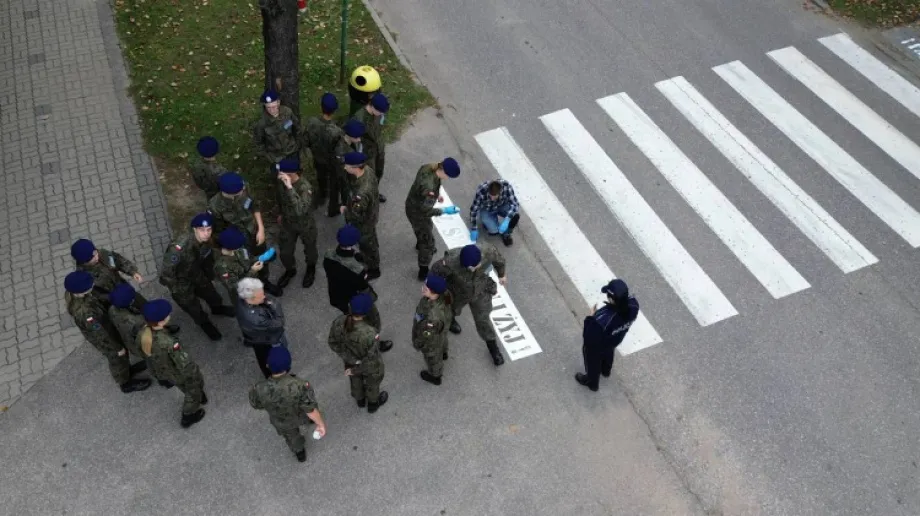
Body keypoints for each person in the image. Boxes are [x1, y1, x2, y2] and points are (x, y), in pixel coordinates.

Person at [64, 271, 151, 393]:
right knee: (118, 359)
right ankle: (125, 383)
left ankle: (128, 370)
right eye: (90, 285)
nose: (93, 285)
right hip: (106, 338)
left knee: (123, 355)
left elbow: (99, 296)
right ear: (80, 292)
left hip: (106, 326)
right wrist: (116, 348)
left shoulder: (82, 294)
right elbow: (100, 334)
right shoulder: (85, 313)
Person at [159, 212, 234, 341]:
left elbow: (207, 253)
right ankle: (205, 324)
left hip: (197, 275)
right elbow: (166, 273)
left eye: (209, 229)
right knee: (193, 307)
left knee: (211, 294)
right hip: (181, 282)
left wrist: (222, 252)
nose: (206, 233)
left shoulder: (206, 240)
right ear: (194, 229)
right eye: (202, 230)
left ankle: (217, 309)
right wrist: (177, 289)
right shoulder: (178, 248)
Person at [431, 243, 507, 366]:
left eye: (473, 267)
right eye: (467, 267)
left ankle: (493, 348)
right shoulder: (450, 261)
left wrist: (502, 275)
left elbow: (499, 260)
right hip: (457, 292)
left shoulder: (488, 251)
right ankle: (452, 321)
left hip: (480, 290)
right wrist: (435, 292)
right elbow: (435, 271)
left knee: (483, 320)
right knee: (450, 310)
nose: (470, 270)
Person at [208, 172, 282, 296]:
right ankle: (252, 288)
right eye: (239, 192)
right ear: (228, 193)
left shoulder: (243, 186)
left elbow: (255, 206)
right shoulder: (215, 206)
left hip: (255, 233)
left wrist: (261, 228)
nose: (243, 191)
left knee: (262, 258)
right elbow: (219, 232)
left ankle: (265, 282)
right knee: (245, 265)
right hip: (238, 242)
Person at [249, 346, 327, 463]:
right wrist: (320, 424)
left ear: (268, 366)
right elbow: (310, 409)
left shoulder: (259, 388)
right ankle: (310, 422)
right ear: (288, 366)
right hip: (300, 415)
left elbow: (256, 404)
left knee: (292, 437)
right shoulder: (300, 385)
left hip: (282, 421)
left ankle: (300, 453)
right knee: (308, 417)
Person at [322, 224, 393, 352]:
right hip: (354, 301)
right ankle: (374, 343)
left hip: (337, 297)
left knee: (351, 320)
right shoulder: (357, 269)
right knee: (373, 322)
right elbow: (363, 286)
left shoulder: (328, 255)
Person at [137, 299, 207, 428]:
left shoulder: (144, 333)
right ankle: (188, 415)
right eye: (167, 315)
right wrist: (195, 374)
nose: (169, 316)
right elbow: (185, 363)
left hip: (167, 372)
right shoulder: (168, 343)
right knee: (193, 391)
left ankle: (198, 396)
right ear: (161, 321)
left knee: (185, 388)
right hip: (180, 373)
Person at [328, 293, 389, 413]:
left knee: (356, 381)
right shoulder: (370, 334)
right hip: (366, 366)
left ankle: (360, 401)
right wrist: (357, 367)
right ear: (366, 313)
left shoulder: (339, 322)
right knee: (372, 384)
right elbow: (371, 361)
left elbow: (332, 343)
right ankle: (373, 404)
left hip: (350, 363)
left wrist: (351, 360)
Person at [575, 279, 641, 392]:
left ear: (611, 299)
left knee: (592, 359)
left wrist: (591, 317)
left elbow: (588, 338)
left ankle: (592, 383)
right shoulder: (634, 305)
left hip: (599, 343)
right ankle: (606, 370)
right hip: (616, 338)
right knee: (609, 350)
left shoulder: (602, 319)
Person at [108, 283, 176, 389]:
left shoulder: (113, 309)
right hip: (144, 344)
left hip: (133, 340)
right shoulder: (136, 321)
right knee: (155, 363)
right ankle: (164, 380)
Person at [404, 158, 462, 280]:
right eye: (449, 176)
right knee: (428, 244)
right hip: (418, 213)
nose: (448, 178)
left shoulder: (428, 167)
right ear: (444, 172)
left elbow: (424, 188)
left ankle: (419, 244)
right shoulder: (429, 187)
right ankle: (423, 270)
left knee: (425, 229)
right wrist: (444, 211)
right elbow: (426, 211)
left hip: (413, 205)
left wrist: (437, 195)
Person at [251, 89, 318, 188]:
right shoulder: (262, 123)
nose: (272, 110)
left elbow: (297, 128)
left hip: (292, 152)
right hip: (277, 158)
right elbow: (258, 143)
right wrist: (268, 157)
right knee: (281, 182)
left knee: (296, 175)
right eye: (268, 107)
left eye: (274, 106)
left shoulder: (287, 112)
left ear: (278, 102)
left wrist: (298, 144)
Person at [274, 158, 318, 289]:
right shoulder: (281, 182)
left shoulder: (305, 187)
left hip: (305, 224)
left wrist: (289, 187)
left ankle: (311, 269)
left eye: (281, 172)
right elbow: (280, 199)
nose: (278, 174)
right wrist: (281, 213)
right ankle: (290, 270)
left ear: (291, 174)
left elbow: (300, 210)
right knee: (285, 252)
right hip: (288, 223)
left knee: (310, 250)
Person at [71, 238, 146, 309]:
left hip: (124, 288)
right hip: (114, 302)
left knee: (143, 305)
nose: (97, 257)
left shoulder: (103, 253)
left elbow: (118, 260)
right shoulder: (82, 277)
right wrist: (112, 297)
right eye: (92, 258)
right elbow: (94, 295)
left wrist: (132, 272)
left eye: (96, 253)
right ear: (84, 262)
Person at [340, 151, 382, 279]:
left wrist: (345, 210)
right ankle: (365, 257)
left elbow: (356, 214)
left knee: (367, 244)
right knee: (368, 242)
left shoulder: (362, 192)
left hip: (364, 222)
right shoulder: (367, 170)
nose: (344, 167)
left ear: (355, 168)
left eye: (346, 165)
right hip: (371, 213)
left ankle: (374, 269)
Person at [236, 278, 288, 379]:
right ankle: (276, 376)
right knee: (272, 357)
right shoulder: (256, 319)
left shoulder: (242, 297)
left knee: (262, 357)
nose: (265, 296)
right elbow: (279, 322)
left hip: (255, 337)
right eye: (261, 295)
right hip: (268, 339)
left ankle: (269, 374)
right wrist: (275, 304)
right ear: (250, 299)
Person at [412, 274, 453, 386]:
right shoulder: (445, 293)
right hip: (442, 329)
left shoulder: (432, 317)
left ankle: (435, 376)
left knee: (432, 358)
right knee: (443, 340)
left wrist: (418, 344)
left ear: (433, 292)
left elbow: (426, 335)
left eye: (425, 288)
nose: (422, 288)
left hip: (433, 339)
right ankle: (444, 353)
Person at [304, 93, 340, 210]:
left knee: (321, 176)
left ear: (321, 107)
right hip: (331, 161)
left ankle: (322, 195)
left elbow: (306, 140)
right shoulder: (336, 131)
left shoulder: (311, 122)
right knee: (333, 178)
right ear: (335, 110)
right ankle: (332, 198)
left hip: (317, 157)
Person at [349, 93, 388, 203]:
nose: (381, 115)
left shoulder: (379, 113)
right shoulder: (359, 118)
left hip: (379, 148)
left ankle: (374, 192)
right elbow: (353, 139)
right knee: (368, 178)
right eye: (380, 112)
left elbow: (380, 126)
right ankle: (367, 198)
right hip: (367, 153)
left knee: (379, 173)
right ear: (373, 107)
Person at [213, 226, 264, 300]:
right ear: (231, 246)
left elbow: (249, 259)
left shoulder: (240, 249)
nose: (241, 246)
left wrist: (261, 258)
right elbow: (234, 286)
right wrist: (253, 271)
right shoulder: (222, 266)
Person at [469, 179, 521, 247]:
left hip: (502, 206)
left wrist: (507, 219)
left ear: (500, 191)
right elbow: (474, 209)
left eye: (495, 196)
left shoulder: (506, 186)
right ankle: (489, 223)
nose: (492, 199)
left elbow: (515, 204)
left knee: (515, 216)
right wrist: (474, 228)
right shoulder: (482, 190)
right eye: (490, 196)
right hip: (487, 210)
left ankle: (507, 234)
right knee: (494, 231)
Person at [190, 136, 228, 201]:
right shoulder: (221, 170)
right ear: (217, 150)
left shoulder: (196, 166)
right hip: (221, 194)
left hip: (208, 191)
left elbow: (198, 182)